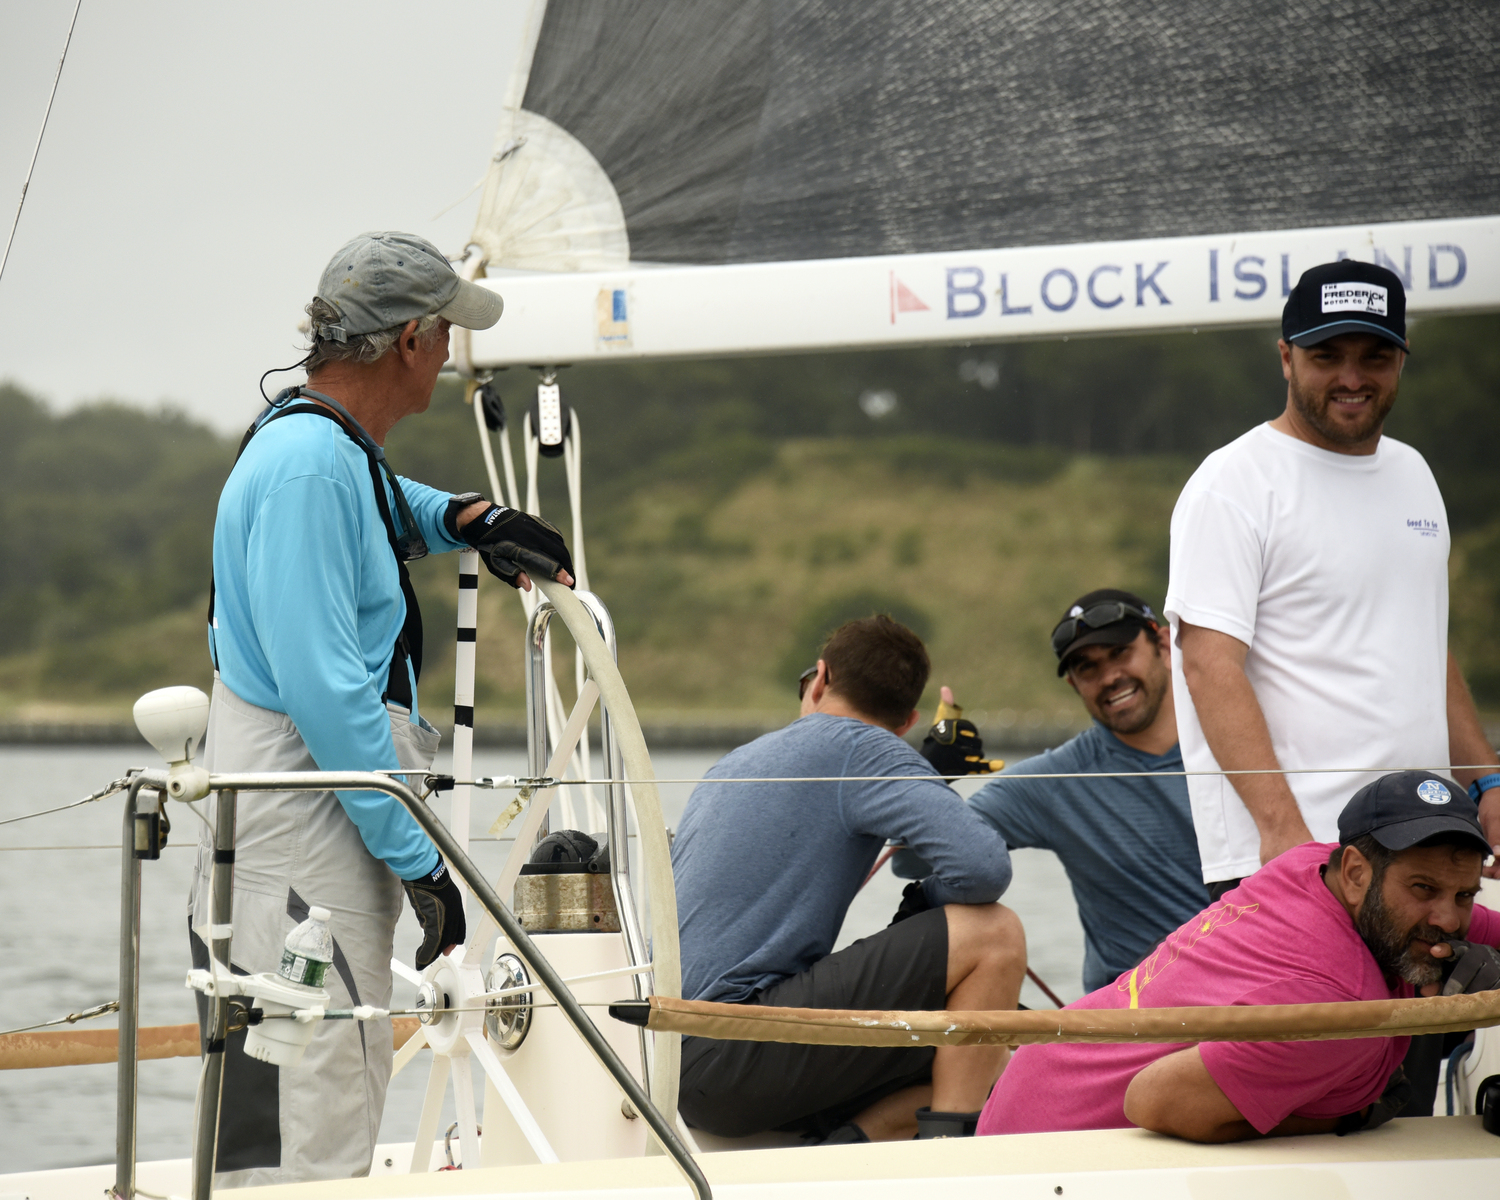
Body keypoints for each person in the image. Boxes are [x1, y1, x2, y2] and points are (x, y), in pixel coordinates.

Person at [190, 232, 575, 1186]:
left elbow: (380, 499)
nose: (451, 355)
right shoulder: (313, 469)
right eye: (445, 333)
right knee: (310, 1121)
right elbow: (327, 694)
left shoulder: (316, 446)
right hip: (303, 846)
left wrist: (468, 518)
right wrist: (424, 866)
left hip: (286, 839)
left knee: (295, 1106)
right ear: (410, 340)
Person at [1166, 259, 1500, 902]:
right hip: (1301, 856)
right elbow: (1209, 666)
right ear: (1286, 358)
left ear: (1401, 361)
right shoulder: (1231, 483)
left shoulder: (1415, 474)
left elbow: (1424, 645)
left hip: (1429, 848)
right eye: (1327, 355)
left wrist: (1487, 781)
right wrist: (1285, 836)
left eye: (1374, 355)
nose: (1352, 377)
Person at [978, 770, 1500, 1141]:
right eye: (1424, 888)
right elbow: (1156, 1101)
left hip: (1030, 1088)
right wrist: (1348, 1117)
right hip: (1056, 1158)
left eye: (1463, 894)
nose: (1449, 921)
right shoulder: (1341, 1013)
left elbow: (1468, 923)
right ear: (1357, 874)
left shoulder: (1307, 868)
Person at [673, 615, 1027, 1143]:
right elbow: (983, 870)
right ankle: (953, 1163)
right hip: (736, 1047)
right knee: (994, 936)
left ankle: (848, 1148)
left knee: (991, 1053)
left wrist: (922, 779)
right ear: (907, 720)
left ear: (819, 679)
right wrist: (926, 900)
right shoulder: (867, 751)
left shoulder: (733, 762)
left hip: (675, 1058)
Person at [894, 589, 1209, 993]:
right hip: (1129, 1021)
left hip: (1254, 1004)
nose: (1110, 677)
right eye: (1087, 668)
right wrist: (931, 780)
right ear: (1074, 683)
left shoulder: (1244, 746)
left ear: (1164, 644)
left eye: (1120, 652)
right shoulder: (1055, 781)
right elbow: (912, 862)